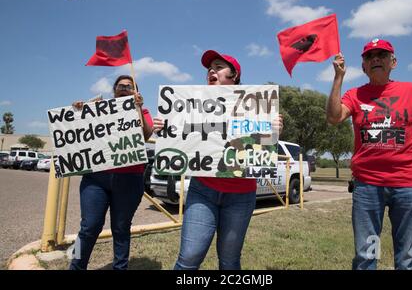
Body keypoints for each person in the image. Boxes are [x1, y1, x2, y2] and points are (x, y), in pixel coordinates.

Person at [157, 50, 283, 270]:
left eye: (218, 66)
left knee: (229, 260)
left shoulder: (255, 105)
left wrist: (273, 130)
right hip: (202, 190)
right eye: (209, 69)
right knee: (189, 257)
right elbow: (180, 137)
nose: (211, 71)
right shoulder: (193, 105)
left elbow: (259, 144)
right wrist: (163, 128)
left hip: (241, 196)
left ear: (234, 76)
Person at [326, 39, 412, 270]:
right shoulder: (355, 94)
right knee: (367, 255)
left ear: (393, 62)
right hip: (367, 187)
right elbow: (334, 117)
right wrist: (338, 78)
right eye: (369, 56)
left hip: (406, 186)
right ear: (363, 66)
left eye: (382, 54)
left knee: (406, 257)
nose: (375, 58)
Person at [69, 75, 155, 270]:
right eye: (120, 85)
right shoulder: (98, 110)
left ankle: (120, 268)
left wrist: (138, 108)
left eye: (129, 86)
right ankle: (76, 266)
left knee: (121, 228)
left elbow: (146, 134)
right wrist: (77, 111)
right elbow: (76, 130)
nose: (124, 88)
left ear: (136, 92)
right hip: (96, 179)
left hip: (130, 179)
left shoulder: (142, 110)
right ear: (114, 90)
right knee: (88, 228)